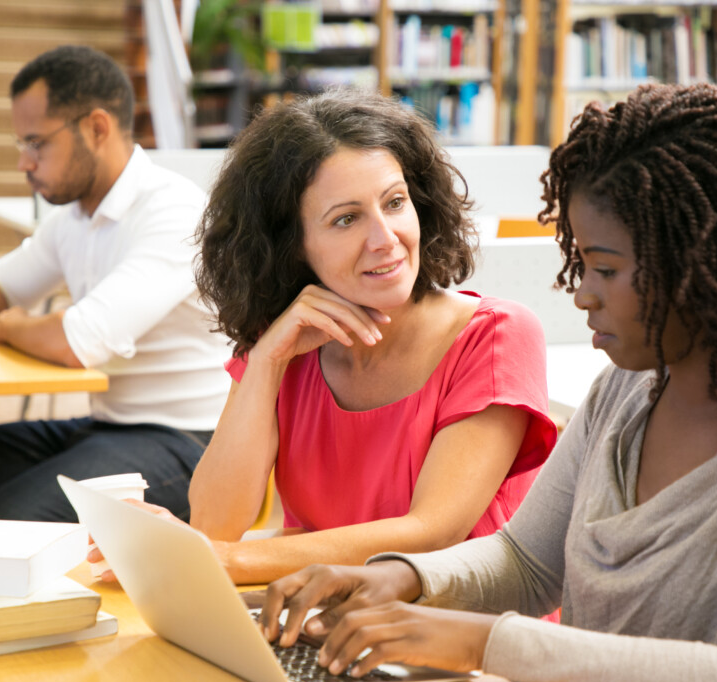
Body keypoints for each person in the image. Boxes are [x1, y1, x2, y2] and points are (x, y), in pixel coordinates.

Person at [257, 83, 717, 682]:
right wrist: (399, 577)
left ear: (705, 270)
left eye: (605, 268)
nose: (582, 292)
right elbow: (528, 562)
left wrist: (480, 643)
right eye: (581, 262)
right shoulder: (627, 392)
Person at [92, 89, 557, 586]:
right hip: (321, 621)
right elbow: (215, 521)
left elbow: (430, 535)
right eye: (346, 219)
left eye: (395, 203)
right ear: (292, 248)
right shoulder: (282, 344)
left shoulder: (495, 337)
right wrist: (267, 359)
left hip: (459, 639)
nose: (385, 238)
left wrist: (217, 559)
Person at [0, 45, 230, 522]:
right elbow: (0, 284)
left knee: (5, 521)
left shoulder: (173, 212)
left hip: (189, 444)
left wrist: (5, 325)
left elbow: (76, 341)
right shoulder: (76, 216)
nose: (25, 162)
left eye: (36, 143)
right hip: (105, 425)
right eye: (21, 145)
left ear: (97, 128)